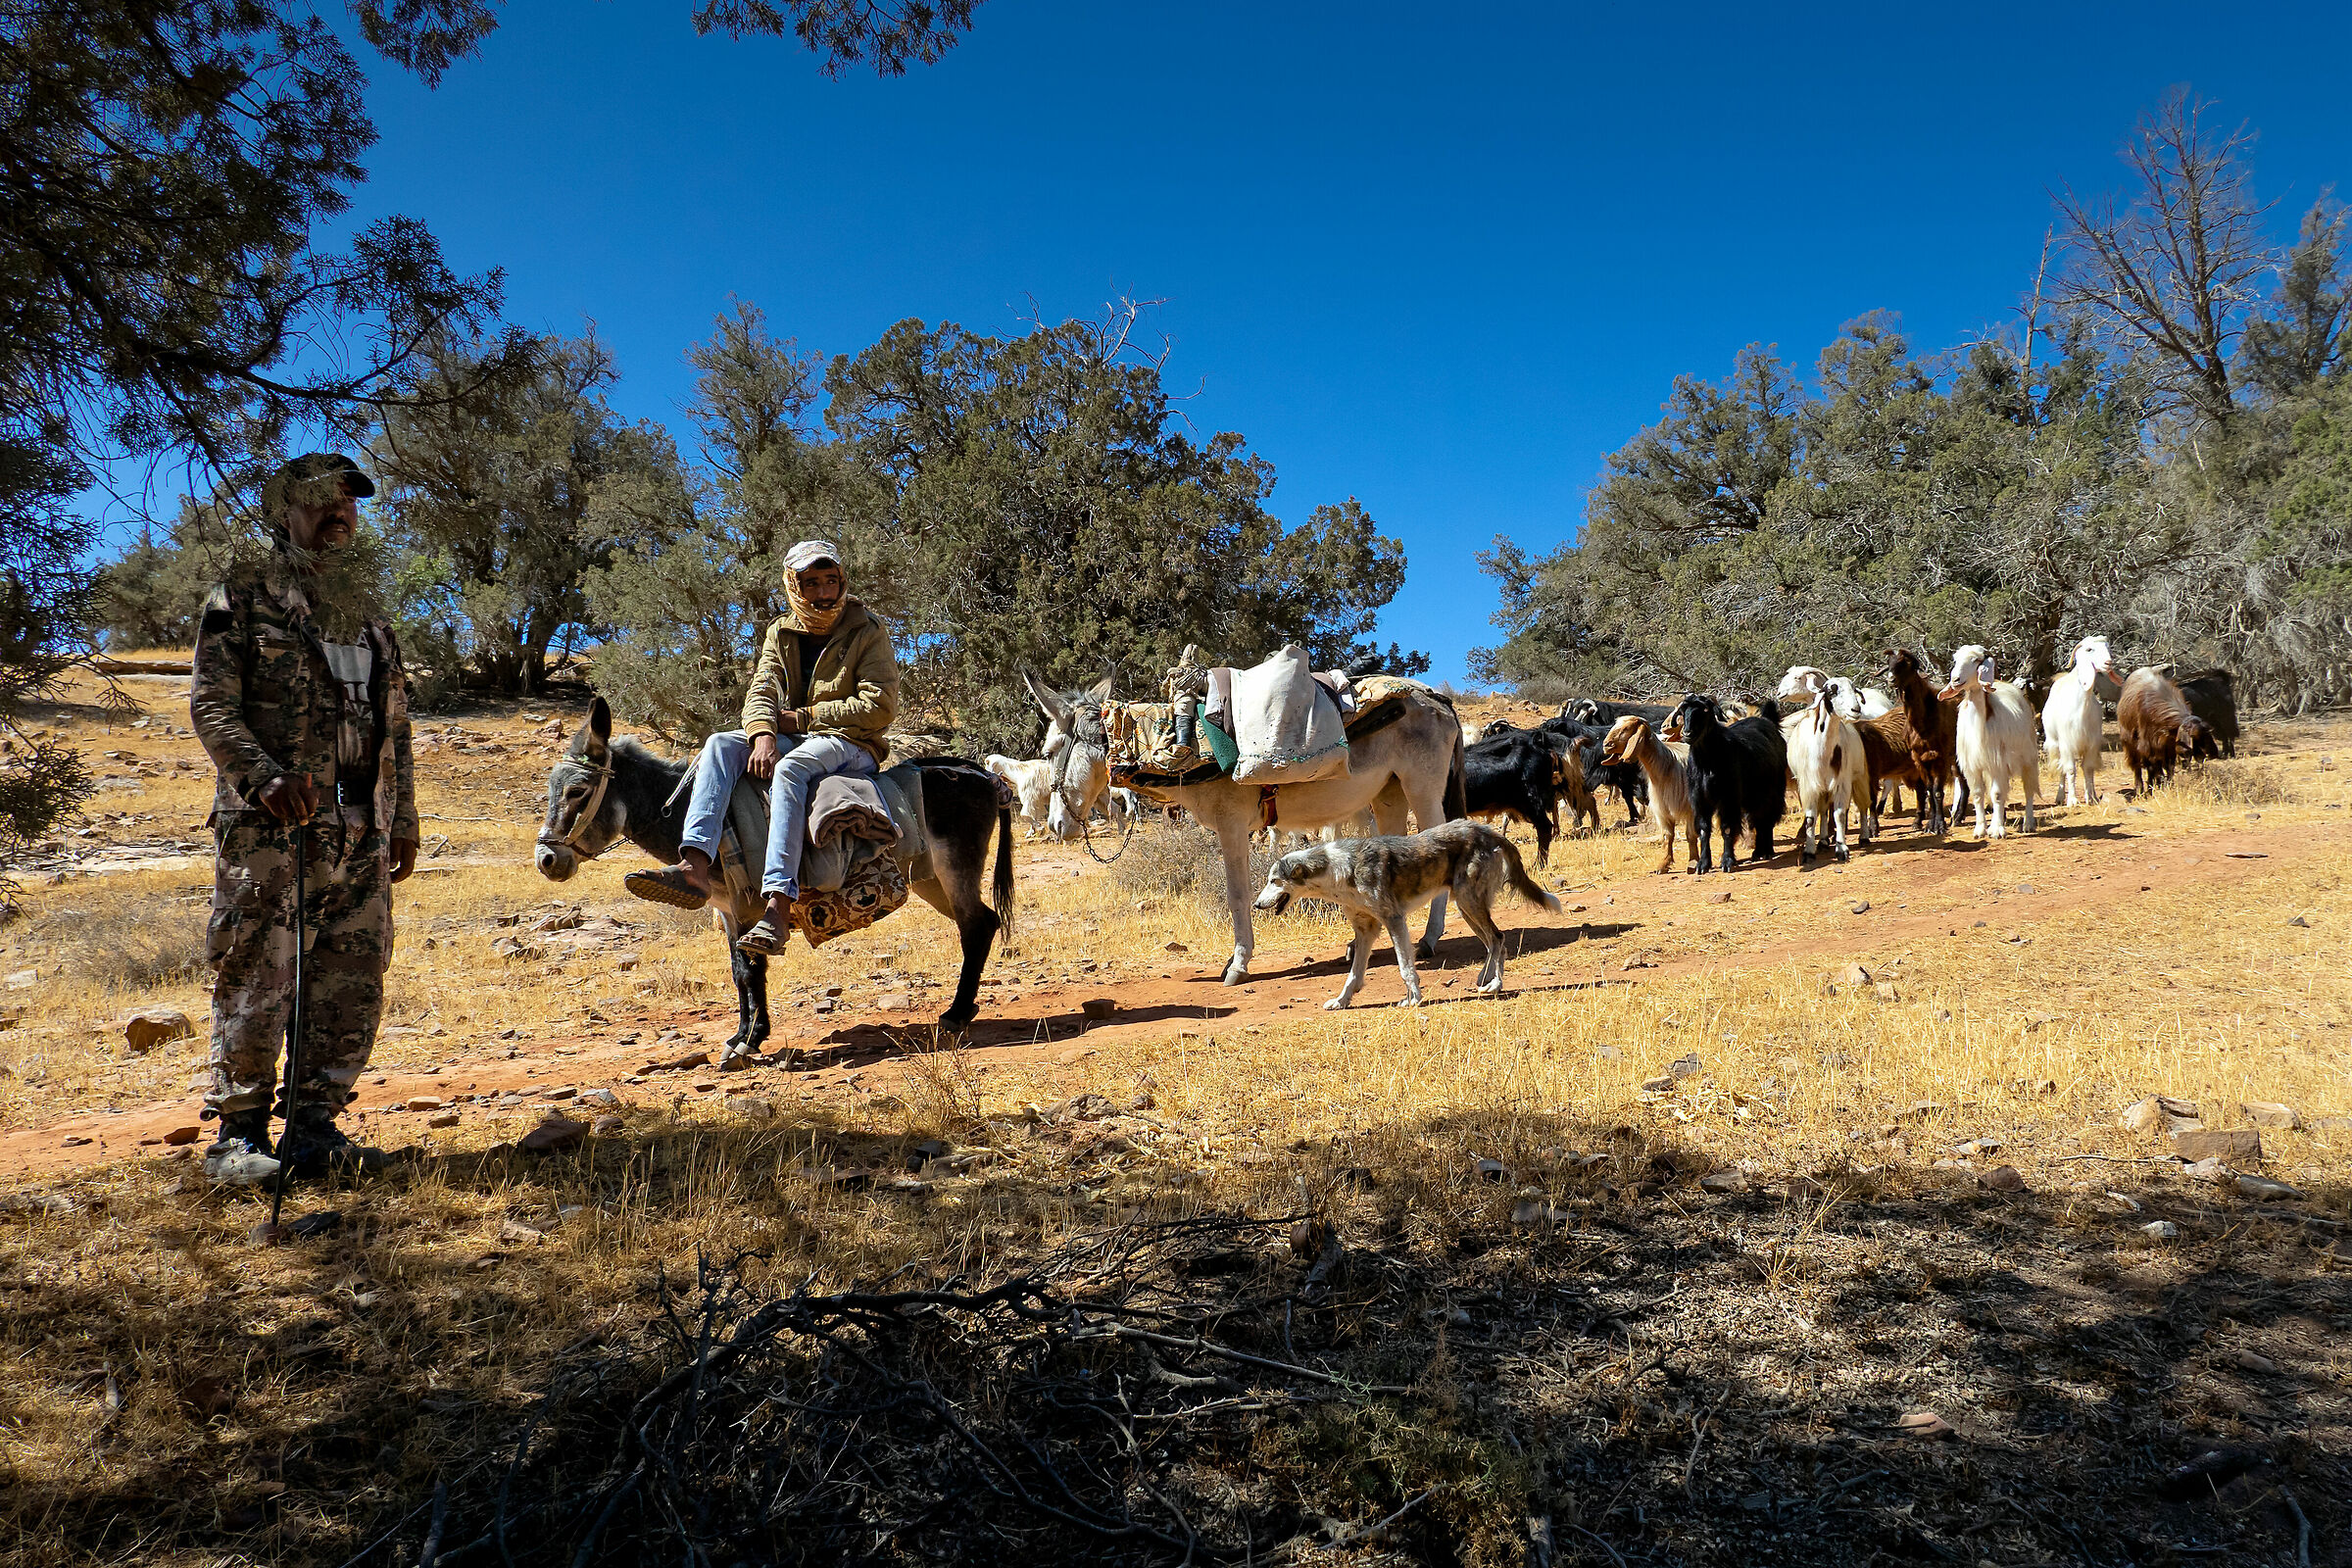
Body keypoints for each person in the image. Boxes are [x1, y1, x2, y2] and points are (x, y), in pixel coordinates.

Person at [191, 454, 419, 1185]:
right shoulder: (245, 596)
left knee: (351, 975)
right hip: (273, 831)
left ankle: (315, 1131)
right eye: (319, 498)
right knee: (259, 970)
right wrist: (261, 780)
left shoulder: (372, 614)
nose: (338, 510)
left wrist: (402, 818)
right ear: (282, 509)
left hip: (361, 828)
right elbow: (211, 705)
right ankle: (239, 1136)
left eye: (348, 500)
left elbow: (397, 725)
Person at [625, 541, 899, 955]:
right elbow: (761, 690)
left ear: (842, 582)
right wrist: (762, 734)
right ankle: (695, 865)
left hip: (853, 742)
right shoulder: (781, 631)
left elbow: (879, 706)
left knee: (791, 771)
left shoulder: (867, 630)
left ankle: (777, 904)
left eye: (831, 581)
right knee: (718, 745)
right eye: (812, 584)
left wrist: (803, 718)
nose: (824, 593)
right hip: (795, 734)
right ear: (794, 586)